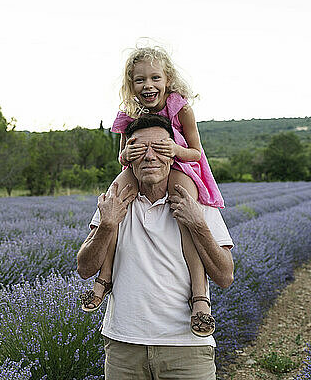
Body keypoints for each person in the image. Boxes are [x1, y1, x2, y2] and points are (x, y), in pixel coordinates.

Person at [80, 45, 224, 338]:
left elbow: (196, 152)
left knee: (188, 217)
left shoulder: (180, 107)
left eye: (155, 78)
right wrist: (129, 153)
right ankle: (103, 279)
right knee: (114, 207)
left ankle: (200, 295)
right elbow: (122, 156)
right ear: (130, 84)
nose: (148, 85)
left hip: (180, 166)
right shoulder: (129, 112)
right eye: (140, 80)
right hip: (140, 169)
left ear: (167, 79)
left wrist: (174, 149)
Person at [76, 114, 234, 379]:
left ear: (173, 155)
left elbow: (225, 276)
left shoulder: (197, 203)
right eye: (140, 149)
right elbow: (84, 267)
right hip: (124, 347)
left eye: (160, 147)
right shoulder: (116, 201)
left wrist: (198, 226)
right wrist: (107, 225)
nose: (150, 156)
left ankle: (200, 301)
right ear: (128, 157)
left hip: (186, 348)